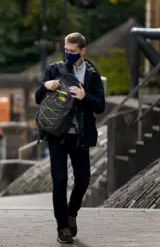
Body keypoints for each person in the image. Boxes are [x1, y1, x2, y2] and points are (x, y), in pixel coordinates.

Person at [35, 32, 105, 244]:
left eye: (73, 52)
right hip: (57, 134)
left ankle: (71, 212)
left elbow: (100, 106)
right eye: (66, 50)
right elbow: (38, 98)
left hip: (80, 136)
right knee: (60, 180)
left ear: (83, 51)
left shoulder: (92, 74)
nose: (68, 55)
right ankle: (62, 227)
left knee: (83, 179)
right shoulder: (54, 69)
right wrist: (45, 86)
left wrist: (85, 97)